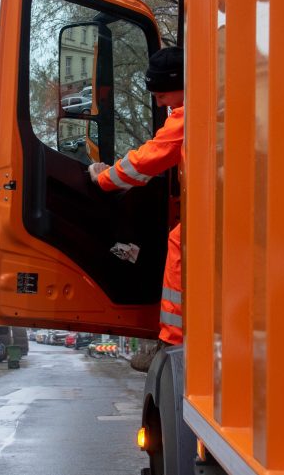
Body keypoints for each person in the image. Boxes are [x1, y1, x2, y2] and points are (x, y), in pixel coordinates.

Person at [88, 46, 185, 345]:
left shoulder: (188, 116)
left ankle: (174, 340)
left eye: (162, 96)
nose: (161, 104)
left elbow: (146, 159)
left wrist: (103, 178)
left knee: (179, 245)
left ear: (181, 85)